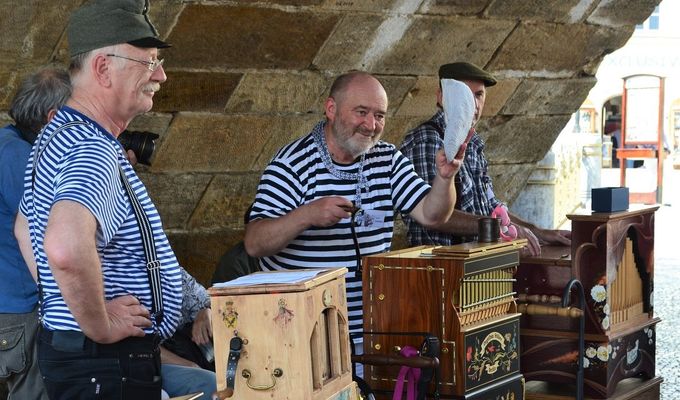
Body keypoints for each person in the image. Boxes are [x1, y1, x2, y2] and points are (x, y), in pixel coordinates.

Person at [13, 0, 184, 398]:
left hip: (86, 359)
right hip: (105, 364)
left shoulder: (57, 135)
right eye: (149, 61)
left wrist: (67, 302)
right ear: (104, 68)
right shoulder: (93, 147)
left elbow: (25, 229)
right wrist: (98, 322)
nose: (161, 75)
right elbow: (64, 247)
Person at [244, 71, 465, 334]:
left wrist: (444, 178)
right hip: (305, 331)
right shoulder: (292, 164)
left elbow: (432, 215)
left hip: (374, 326)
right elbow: (254, 243)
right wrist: (306, 215)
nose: (371, 125)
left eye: (379, 116)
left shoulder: (387, 159)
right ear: (331, 109)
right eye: (361, 112)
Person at [399, 62, 571, 256]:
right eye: (464, 94)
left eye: (479, 95)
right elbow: (434, 215)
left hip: (478, 264)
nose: (474, 104)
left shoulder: (472, 142)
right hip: (443, 267)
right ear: (441, 97)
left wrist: (537, 231)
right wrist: (499, 228)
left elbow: (491, 207)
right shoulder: (428, 140)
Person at [0, 67, 70, 400]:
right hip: (21, 309)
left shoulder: (7, 143)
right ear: (51, 116)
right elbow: (43, 227)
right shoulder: (18, 156)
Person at [160, 268, 216, 400]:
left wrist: (207, 310)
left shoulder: (168, 268)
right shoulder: (121, 279)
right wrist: (190, 365)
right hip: (149, 362)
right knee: (210, 383)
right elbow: (137, 345)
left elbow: (211, 301)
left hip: (194, 351)